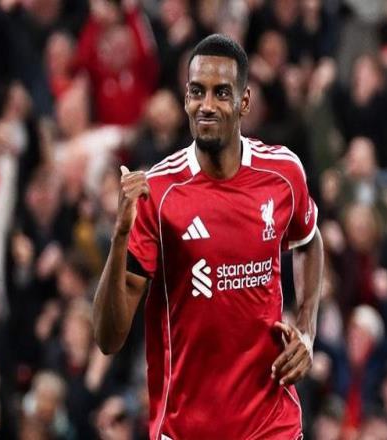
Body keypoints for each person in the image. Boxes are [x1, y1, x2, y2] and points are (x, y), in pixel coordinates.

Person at [93, 34, 324, 439]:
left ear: (244, 102)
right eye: (197, 92)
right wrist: (120, 235)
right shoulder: (158, 194)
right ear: (185, 99)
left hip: (272, 423)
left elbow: (308, 240)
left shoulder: (283, 173)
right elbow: (108, 338)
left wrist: (305, 328)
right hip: (187, 426)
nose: (207, 105)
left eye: (221, 93)